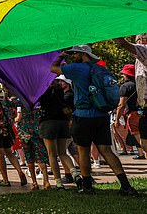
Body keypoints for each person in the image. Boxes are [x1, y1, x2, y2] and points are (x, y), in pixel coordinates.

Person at [50, 45, 137, 196]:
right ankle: (125, 185)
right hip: (101, 115)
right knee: (106, 150)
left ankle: (87, 187)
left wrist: (62, 54)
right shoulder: (100, 68)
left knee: (83, 151)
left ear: (83, 54)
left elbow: (53, 68)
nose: (73, 55)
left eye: (75, 53)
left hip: (83, 116)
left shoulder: (77, 68)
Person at [37, 77, 78, 189]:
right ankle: (75, 173)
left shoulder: (42, 90)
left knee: (52, 155)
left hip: (48, 122)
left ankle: (59, 182)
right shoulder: (60, 90)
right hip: (63, 122)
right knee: (63, 152)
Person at [114, 34, 147, 153]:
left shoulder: (145, 50)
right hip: (142, 109)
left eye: (137, 40)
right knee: (144, 143)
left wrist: (112, 30)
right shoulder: (139, 59)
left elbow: (123, 43)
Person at [15, 105, 50, 190]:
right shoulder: (38, 102)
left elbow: (18, 117)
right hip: (37, 132)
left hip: (25, 133)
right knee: (40, 157)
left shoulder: (21, 102)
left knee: (29, 158)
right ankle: (46, 181)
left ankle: (35, 183)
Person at [115, 64, 144, 159]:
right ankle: (140, 153)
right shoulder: (141, 84)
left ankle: (141, 153)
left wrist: (117, 119)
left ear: (127, 75)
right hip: (143, 112)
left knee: (136, 134)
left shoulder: (125, 86)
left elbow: (121, 105)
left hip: (133, 114)